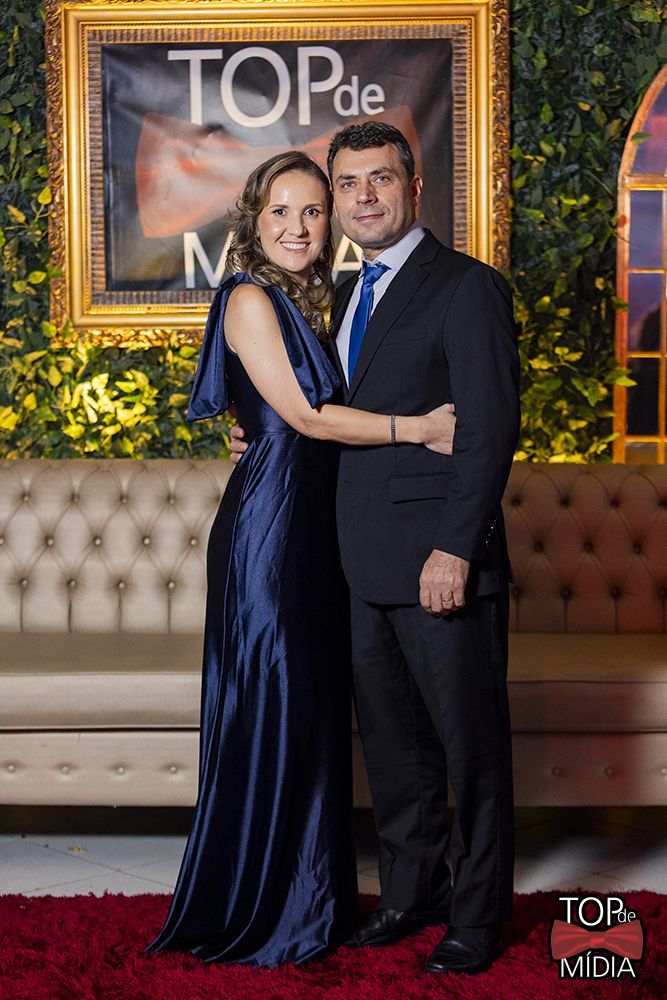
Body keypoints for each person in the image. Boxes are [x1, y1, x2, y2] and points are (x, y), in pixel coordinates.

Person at [147, 150, 456, 968]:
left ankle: (307, 899)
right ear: (252, 221)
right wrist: (420, 428)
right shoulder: (250, 297)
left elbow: (278, 414)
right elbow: (310, 419)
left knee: (309, 712)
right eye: (280, 212)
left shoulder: (319, 300)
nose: (298, 226)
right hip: (270, 534)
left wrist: (253, 425)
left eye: (312, 211)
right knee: (275, 705)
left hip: (313, 531)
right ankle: (265, 907)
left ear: (329, 224)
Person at [231, 123, 520, 975]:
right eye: (348, 184)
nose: (363, 197)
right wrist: (255, 437)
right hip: (354, 562)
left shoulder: (465, 286)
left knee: (470, 749)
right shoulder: (343, 294)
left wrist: (455, 550)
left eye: (380, 179)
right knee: (394, 750)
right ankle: (410, 894)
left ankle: (477, 915)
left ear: (413, 187)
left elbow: (488, 430)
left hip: (437, 561)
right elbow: (319, 415)